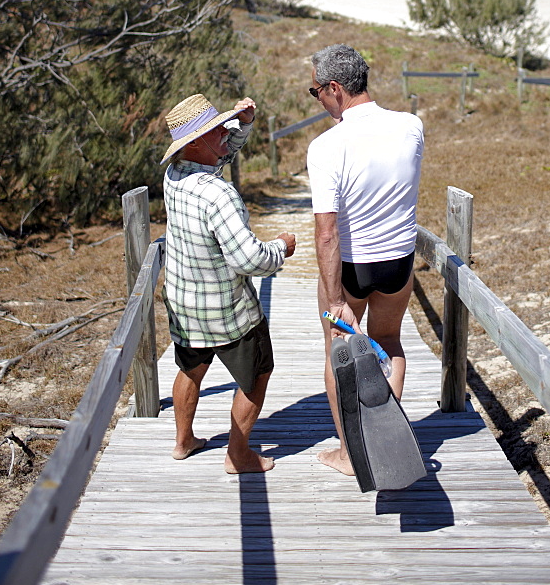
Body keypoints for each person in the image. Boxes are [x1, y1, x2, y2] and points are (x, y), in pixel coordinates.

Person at [161, 92, 296, 474]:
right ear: (196, 142)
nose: (225, 132)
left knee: (191, 369)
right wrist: (280, 248)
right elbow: (248, 258)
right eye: (217, 128)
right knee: (257, 375)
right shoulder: (219, 194)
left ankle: (183, 441)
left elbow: (219, 153)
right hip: (228, 309)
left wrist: (244, 122)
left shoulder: (175, 175)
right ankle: (238, 456)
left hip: (185, 302)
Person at [306, 44, 424, 476]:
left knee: (337, 354)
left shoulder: (326, 147)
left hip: (353, 267)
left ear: (335, 89)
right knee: (389, 343)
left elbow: (326, 232)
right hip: (397, 262)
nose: (316, 98)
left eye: (315, 90)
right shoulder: (411, 126)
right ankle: (387, 426)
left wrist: (336, 299)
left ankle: (352, 454)